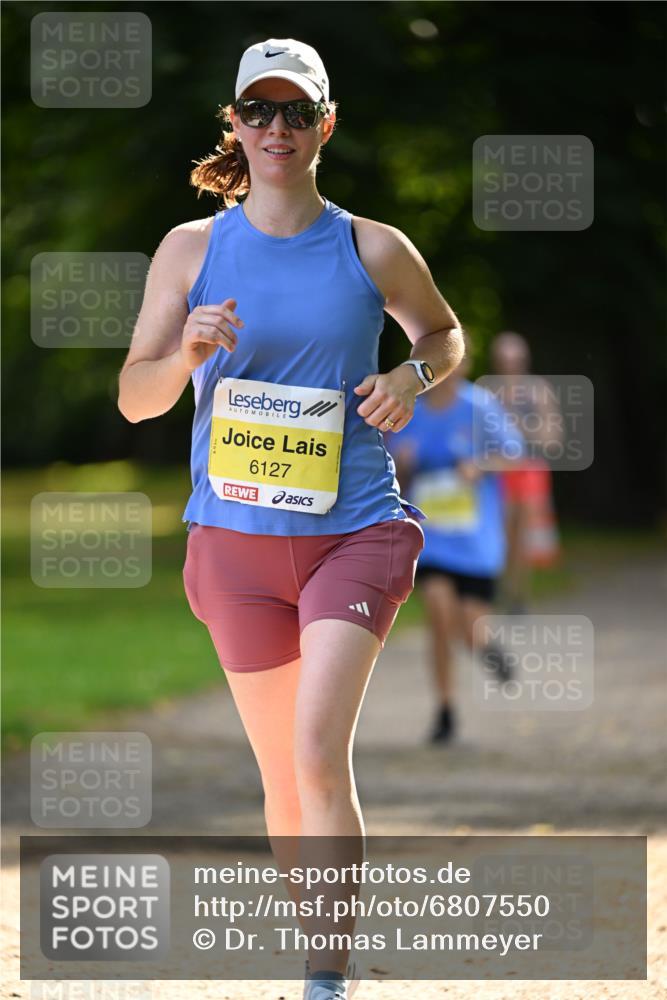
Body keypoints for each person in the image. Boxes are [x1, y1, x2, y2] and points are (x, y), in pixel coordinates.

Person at [117, 37, 464, 1000]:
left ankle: (326, 976)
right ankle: (317, 949)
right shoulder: (190, 250)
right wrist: (185, 356)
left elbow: (442, 333)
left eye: (296, 111)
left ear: (325, 125)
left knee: (317, 752)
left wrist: (410, 375)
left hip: (353, 530)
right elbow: (136, 399)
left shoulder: (372, 246)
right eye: (258, 110)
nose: (277, 128)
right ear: (233, 123)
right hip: (234, 546)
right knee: (280, 773)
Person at [386, 337, 525, 744]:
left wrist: (480, 465)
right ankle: (445, 709)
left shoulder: (480, 407)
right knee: (438, 612)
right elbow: (389, 476)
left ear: (461, 366)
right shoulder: (410, 410)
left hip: (476, 541)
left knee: (470, 628)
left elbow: (515, 453)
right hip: (432, 539)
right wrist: (403, 467)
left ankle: (487, 648)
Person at [490, 331, 562, 613]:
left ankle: (517, 595)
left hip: (528, 468)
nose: (510, 366)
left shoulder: (538, 390)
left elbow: (553, 438)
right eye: (504, 360)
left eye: (515, 360)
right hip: (496, 469)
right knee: (500, 532)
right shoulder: (487, 393)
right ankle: (497, 589)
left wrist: (518, 425)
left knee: (523, 535)